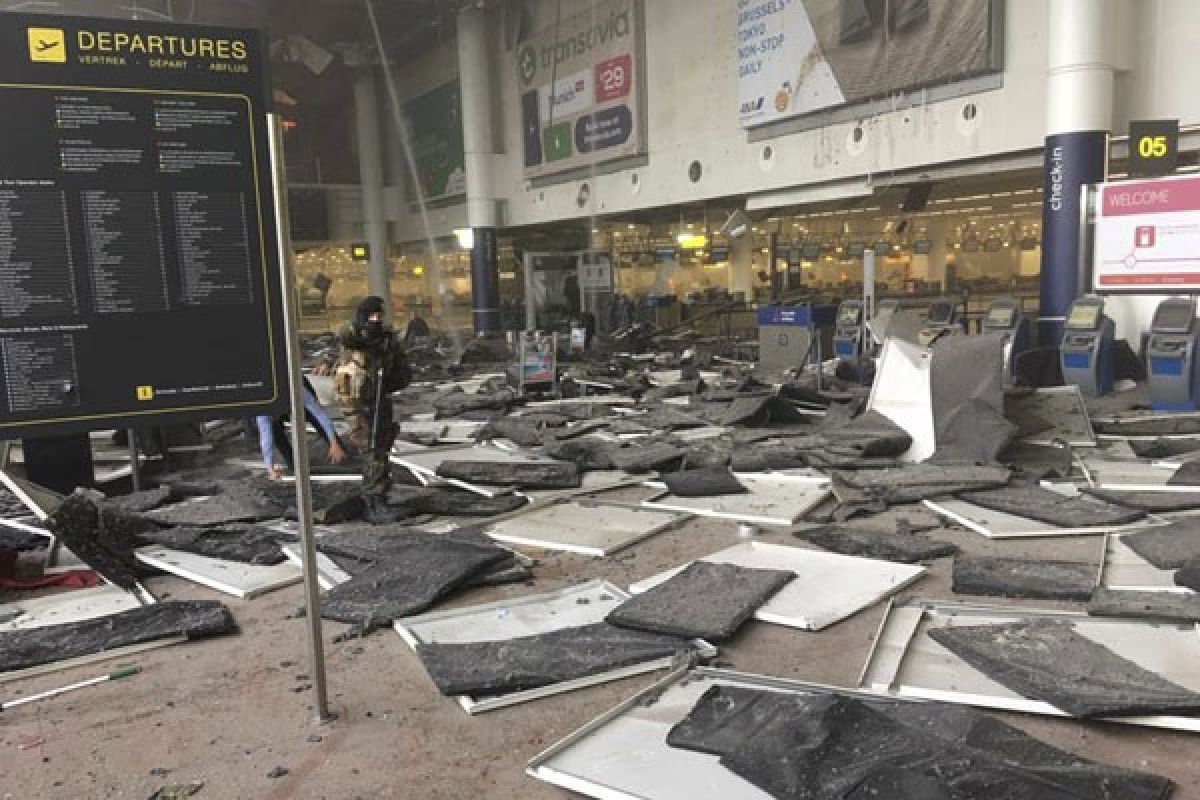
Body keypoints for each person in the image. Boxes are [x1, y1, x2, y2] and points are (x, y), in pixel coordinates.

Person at [335, 296, 411, 522]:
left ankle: (379, 497)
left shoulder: (386, 343)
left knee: (381, 449)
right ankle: (373, 500)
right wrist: (364, 331)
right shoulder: (354, 339)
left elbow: (402, 375)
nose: (376, 321)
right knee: (371, 451)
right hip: (357, 406)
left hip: (380, 400)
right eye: (371, 317)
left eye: (379, 316)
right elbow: (346, 334)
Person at [256, 376, 347, 480]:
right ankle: (294, 464)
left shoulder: (298, 390)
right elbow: (265, 438)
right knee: (275, 431)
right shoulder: (263, 408)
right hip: (274, 397)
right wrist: (270, 469)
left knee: (314, 418)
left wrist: (334, 443)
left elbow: (319, 414)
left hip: (296, 387)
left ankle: (339, 450)